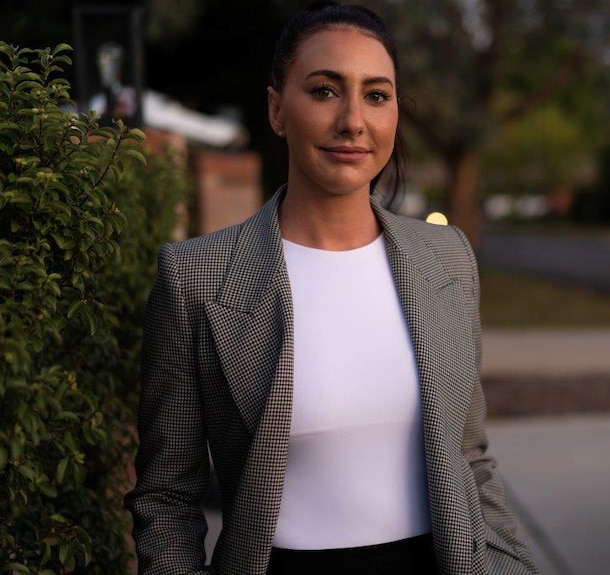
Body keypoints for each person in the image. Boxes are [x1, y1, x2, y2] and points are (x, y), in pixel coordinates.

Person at [125, 2, 539, 574]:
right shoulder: (197, 275)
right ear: (276, 109)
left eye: (376, 95)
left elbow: (470, 459)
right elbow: (166, 498)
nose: (353, 121)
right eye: (324, 91)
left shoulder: (447, 259)